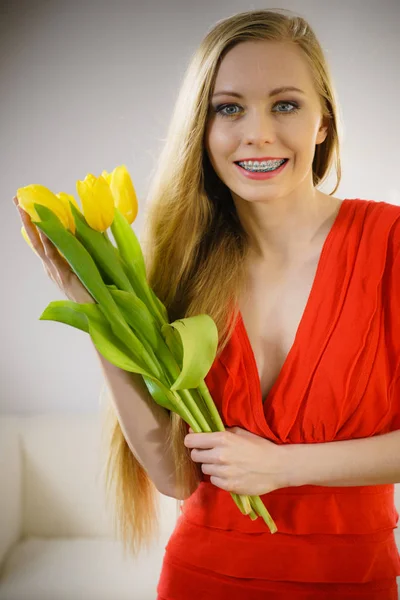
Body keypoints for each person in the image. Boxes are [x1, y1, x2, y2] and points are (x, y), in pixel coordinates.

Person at [14, 8, 400, 599]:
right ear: (204, 127)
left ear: (323, 122)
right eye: (229, 107)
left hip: (349, 581)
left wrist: (283, 468)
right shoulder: (181, 266)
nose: (258, 133)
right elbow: (174, 476)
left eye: (286, 104)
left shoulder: (390, 245)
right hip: (202, 578)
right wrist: (99, 310)